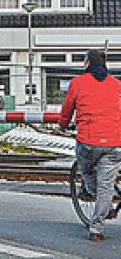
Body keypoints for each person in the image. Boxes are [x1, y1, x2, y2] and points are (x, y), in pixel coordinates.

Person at [59, 49, 121, 241]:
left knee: (86, 171)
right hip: (114, 141)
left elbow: (67, 108)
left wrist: (63, 125)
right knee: (106, 185)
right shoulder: (117, 84)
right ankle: (96, 229)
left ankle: (106, 205)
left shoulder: (78, 83)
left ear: (87, 64)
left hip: (88, 141)